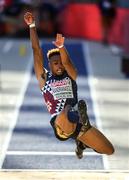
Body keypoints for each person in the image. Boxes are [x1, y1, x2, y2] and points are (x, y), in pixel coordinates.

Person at [24, 12, 115, 159]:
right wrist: (32, 26)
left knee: (109, 150)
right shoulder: (45, 79)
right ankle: (78, 121)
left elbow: (67, 63)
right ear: (50, 65)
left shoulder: (71, 75)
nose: (59, 66)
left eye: (61, 63)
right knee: (66, 109)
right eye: (55, 63)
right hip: (60, 122)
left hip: (77, 122)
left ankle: (82, 142)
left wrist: (61, 47)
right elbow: (36, 51)